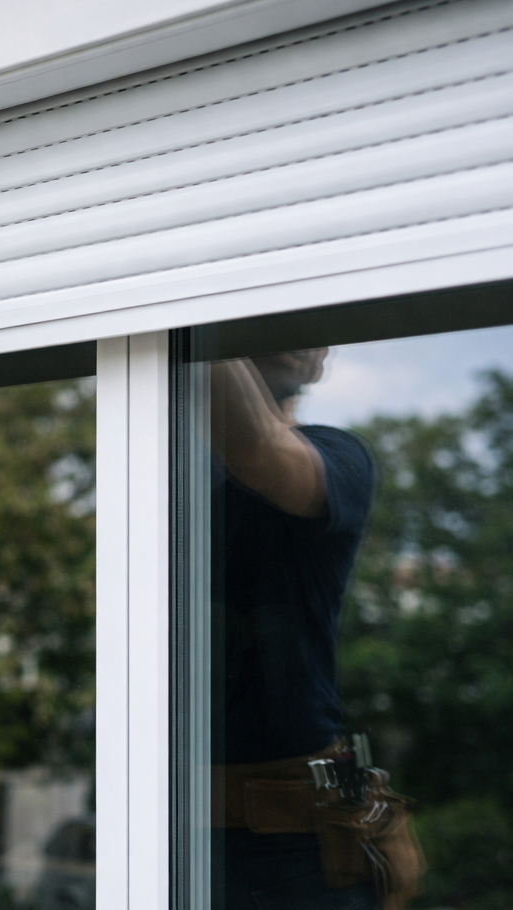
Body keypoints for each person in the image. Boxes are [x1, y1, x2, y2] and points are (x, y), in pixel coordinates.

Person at [209, 350, 397, 908]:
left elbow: (257, 446)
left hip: (296, 841)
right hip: (170, 820)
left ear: (318, 367)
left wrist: (189, 317)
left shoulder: (341, 456)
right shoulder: (155, 467)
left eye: (312, 332)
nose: (300, 340)